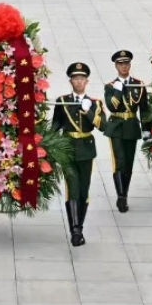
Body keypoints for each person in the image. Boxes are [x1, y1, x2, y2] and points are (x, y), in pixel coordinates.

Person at [54, 62, 102, 247]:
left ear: (87, 81)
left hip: (86, 150)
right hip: (68, 149)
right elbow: (55, 127)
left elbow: (103, 126)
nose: (79, 81)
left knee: (83, 191)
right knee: (73, 188)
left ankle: (79, 226)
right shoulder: (62, 101)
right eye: (76, 78)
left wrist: (88, 111)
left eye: (82, 78)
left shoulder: (95, 103)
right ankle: (75, 231)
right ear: (71, 81)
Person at [101, 50, 145, 213]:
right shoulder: (110, 86)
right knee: (119, 161)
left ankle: (124, 193)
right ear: (116, 66)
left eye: (126, 63)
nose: (124, 66)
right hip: (116, 127)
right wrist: (118, 90)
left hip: (132, 126)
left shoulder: (139, 85)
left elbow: (144, 109)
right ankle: (121, 196)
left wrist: (147, 130)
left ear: (130, 65)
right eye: (120, 64)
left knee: (129, 163)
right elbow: (112, 107)